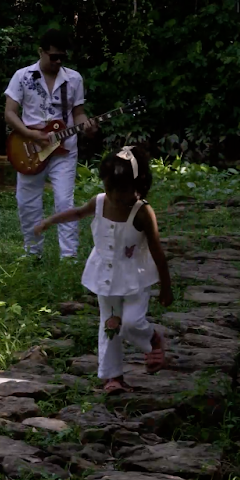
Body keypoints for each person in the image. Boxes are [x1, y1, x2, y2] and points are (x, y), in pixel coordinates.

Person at [35, 147, 173, 394]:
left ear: (138, 186)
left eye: (122, 192)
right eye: (111, 190)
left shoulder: (142, 212)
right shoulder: (99, 202)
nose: (115, 197)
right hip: (105, 277)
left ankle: (152, 339)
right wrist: (49, 221)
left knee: (131, 323)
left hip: (135, 277)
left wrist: (166, 286)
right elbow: (77, 212)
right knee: (110, 325)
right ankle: (113, 377)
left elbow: (157, 252)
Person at [4, 33, 97, 259]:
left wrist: (88, 126)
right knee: (27, 202)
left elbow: (78, 113)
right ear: (41, 51)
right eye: (53, 57)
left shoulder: (74, 79)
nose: (57, 62)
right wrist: (31, 134)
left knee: (65, 201)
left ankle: (69, 256)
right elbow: (9, 113)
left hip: (64, 150)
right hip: (30, 147)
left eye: (61, 58)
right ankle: (33, 252)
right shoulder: (22, 76)